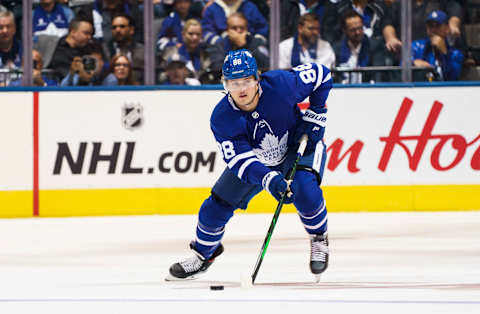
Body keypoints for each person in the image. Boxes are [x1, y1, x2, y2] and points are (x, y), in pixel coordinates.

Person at [166, 49, 332, 281]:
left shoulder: (282, 85)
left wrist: (317, 111)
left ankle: (318, 238)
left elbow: (321, 75)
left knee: (306, 191)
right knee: (214, 209)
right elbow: (240, 161)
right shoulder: (222, 117)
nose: (241, 89)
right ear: (225, 84)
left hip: (297, 145)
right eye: (234, 83)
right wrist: (269, 179)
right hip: (257, 161)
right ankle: (204, 254)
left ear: (257, 78)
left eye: (246, 81)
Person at [160, 19, 224, 84]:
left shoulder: (205, 55)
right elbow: (162, 77)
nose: (195, 37)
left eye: (198, 34)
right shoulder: (171, 52)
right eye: (191, 34)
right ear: (183, 34)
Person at [333, 9, 386, 83]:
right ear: (344, 30)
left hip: (367, 89)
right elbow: (335, 77)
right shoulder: (337, 48)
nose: (357, 32)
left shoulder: (374, 46)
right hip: (343, 89)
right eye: (353, 30)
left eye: (360, 28)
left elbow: (378, 75)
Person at [411, 9, 464, 81]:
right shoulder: (416, 46)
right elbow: (402, 66)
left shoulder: (455, 54)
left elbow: (452, 77)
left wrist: (445, 53)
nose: (433, 30)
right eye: (430, 26)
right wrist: (413, 64)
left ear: (447, 28)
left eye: (437, 26)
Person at [202, 0, 268, 45]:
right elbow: (206, 32)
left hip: (249, 47)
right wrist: (224, 43)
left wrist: (251, 42)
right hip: (220, 49)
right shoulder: (212, 9)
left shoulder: (249, 7)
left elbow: (262, 29)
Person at [105, 13, 144, 83]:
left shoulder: (143, 51)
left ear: (131, 30)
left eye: (122, 26)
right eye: (114, 27)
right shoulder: (105, 50)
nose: (117, 30)